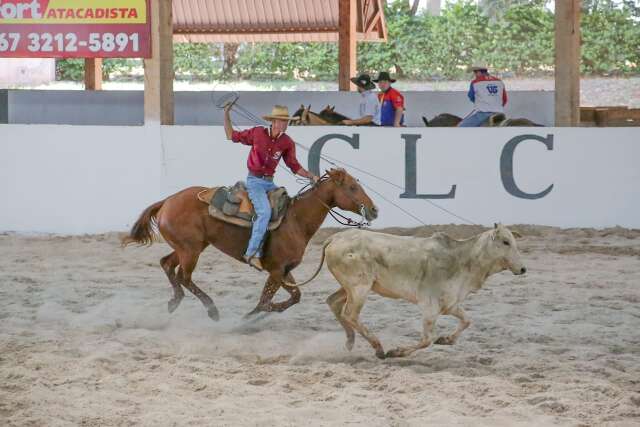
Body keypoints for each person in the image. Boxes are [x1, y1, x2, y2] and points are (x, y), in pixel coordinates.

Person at [223, 104, 319, 271]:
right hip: (254, 182)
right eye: (280, 121)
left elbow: (294, 166)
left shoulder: (287, 142)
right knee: (265, 212)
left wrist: (312, 176)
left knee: (285, 208)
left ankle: (274, 249)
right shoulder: (257, 133)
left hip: (269, 183)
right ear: (273, 121)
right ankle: (252, 253)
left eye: (286, 122)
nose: (283, 124)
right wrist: (226, 115)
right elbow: (231, 135)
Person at [458, 62, 508, 127]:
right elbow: (504, 100)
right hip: (500, 113)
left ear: (479, 72)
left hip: (483, 114)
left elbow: (471, 97)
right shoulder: (499, 81)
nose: (475, 75)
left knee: (460, 127)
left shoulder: (475, 82)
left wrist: (481, 103)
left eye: (475, 72)